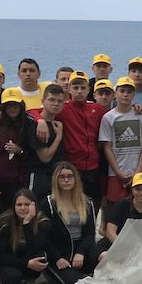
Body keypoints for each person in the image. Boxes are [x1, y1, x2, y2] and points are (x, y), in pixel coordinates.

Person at [42, 162, 99, 284]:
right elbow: (44, 238)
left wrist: (81, 252)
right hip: (59, 253)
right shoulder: (48, 204)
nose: (66, 180)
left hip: (81, 250)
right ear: (56, 180)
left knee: (103, 256)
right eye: (62, 177)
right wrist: (57, 258)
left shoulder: (87, 203)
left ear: (75, 179)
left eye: (70, 176)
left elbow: (89, 234)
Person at [0, 87, 30, 218]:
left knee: (18, 217)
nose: (12, 108)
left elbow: (29, 155)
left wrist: (20, 151)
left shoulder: (25, 125)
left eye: (15, 105)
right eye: (8, 106)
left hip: (17, 182)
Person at [98, 76, 142, 204]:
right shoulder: (108, 117)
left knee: (139, 206)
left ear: (133, 95)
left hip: (139, 171)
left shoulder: (141, 115)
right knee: (115, 207)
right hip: (116, 172)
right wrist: (118, 172)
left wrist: (138, 171)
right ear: (115, 94)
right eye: (122, 91)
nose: (125, 95)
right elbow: (107, 147)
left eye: (129, 91)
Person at [57, 71, 105, 204]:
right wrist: (40, 121)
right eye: (75, 88)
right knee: (73, 204)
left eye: (83, 88)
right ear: (69, 89)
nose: (79, 91)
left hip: (94, 168)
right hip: (73, 167)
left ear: (89, 89)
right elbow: (37, 111)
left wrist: (136, 107)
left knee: (94, 204)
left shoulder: (97, 109)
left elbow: (116, 114)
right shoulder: (62, 109)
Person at [0, 189, 49, 284]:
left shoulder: (42, 222)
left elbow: (35, 248)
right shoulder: (5, 222)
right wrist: (26, 264)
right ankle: (15, 281)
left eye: (27, 204)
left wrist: (27, 223)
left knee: (41, 257)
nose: (23, 208)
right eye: (19, 205)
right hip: (9, 261)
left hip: (29, 259)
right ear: (14, 206)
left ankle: (30, 281)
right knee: (12, 277)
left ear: (33, 206)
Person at [21, 84, 65, 199]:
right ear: (43, 101)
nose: (55, 104)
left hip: (55, 176)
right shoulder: (36, 125)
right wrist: (59, 136)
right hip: (37, 176)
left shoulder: (57, 123)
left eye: (59, 101)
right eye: (51, 100)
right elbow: (45, 157)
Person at [101, 171, 142, 246]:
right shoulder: (121, 205)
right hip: (115, 246)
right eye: (137, 189)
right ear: (132, 190)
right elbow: (110, 232)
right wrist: (124, 247)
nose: (141, 193)